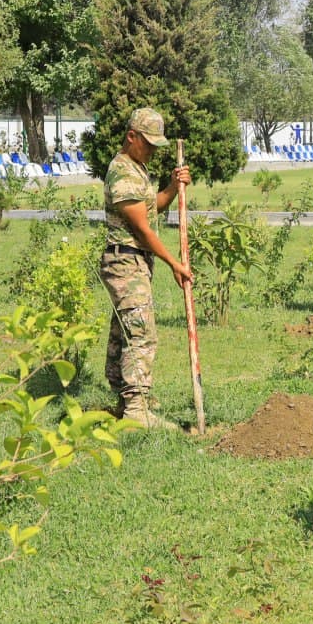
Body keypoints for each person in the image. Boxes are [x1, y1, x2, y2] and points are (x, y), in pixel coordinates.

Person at [100, 108, 193, 430]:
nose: (153, 150)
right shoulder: (122, 172)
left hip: (133, 260)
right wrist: (174, 263)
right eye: (148, 143)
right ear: (131, 137)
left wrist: (171, 185)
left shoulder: (137, 169)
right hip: (125, 259)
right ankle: (136, 410)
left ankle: (125, 401)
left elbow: (153, 208)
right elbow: (143, 229)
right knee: (141, 334)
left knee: (124, 331)